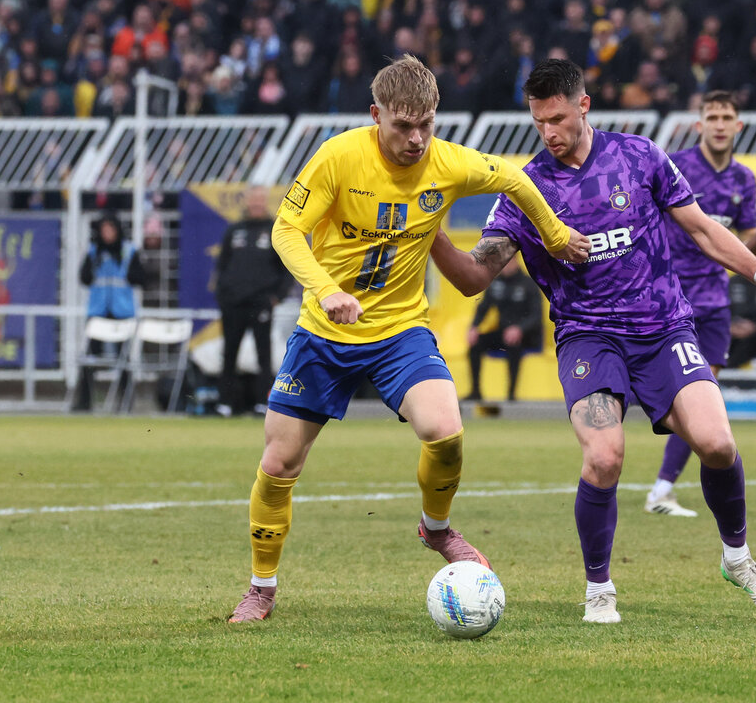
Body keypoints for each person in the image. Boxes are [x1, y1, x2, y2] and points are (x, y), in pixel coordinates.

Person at [430, 59, 756, 624]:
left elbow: (704, 228)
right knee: (605, 457)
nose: (550, 133)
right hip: (589, 337)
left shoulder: (639, 157)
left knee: (718, 444)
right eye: (539, 124)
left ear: (583, 105)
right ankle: (599, 590)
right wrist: (430, 232)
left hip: (663, 327)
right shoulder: (526, 186)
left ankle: (739, 558)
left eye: (557, 118)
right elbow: (474, 277)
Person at [228, 55, 589, 623]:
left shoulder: (447, 162)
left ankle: (437, 530)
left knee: (445, 432)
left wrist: (557, 232)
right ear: (377, 116)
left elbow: (515, 178)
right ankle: (261, 588)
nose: (417, 138)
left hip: (400, 330)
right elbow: (285, 230)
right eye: (403, 125)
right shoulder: (338, 156)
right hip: (325, 331)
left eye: (426, 124)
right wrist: (325, 291)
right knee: (279, 463)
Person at [643, 89, 756, 519]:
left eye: (727, 117)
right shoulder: (676, 166)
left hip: (715, 300)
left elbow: (740, 245)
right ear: (700, 124)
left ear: (738, 126)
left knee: (703, 398)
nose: (720, 124)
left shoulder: (744, 179)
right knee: (670, 394)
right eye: (713, 116)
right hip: (668, 295)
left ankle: (661, 490)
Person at [214, 185, 293, 418]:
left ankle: (263, 402)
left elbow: (285, 269)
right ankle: (225, 404)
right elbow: (222, 266)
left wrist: (276, 297)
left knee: (263, 354)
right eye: (253, 200)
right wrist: (224, 295)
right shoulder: (234, 230)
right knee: (229, 353)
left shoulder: (273, 230)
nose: (256, 204)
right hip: (234, 303)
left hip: (261, 302)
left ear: (265, 202)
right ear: (247, 202)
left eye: (260, 200)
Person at [72, 212, 146, 412]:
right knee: (89, 358)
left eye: (110, 229)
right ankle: (84, 402)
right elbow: (84, 278)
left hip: (122, 311)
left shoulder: (128, 251)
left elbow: (141, 277)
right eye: (104, 230)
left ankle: (126, 402)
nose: (107, 233)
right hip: (98, 311)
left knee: (123, 359)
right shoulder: (94, 252)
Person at [464, 258, 543, 402]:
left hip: (526, 336)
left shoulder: (528, 284)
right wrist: (474, 327)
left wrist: (519, 328)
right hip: (503, 333)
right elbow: (483, 308)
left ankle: (511, 395)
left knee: (514, 344)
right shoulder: (496, 283)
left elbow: (536, 316)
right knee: (475, 345)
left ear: (515, 261)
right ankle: (475, 391)